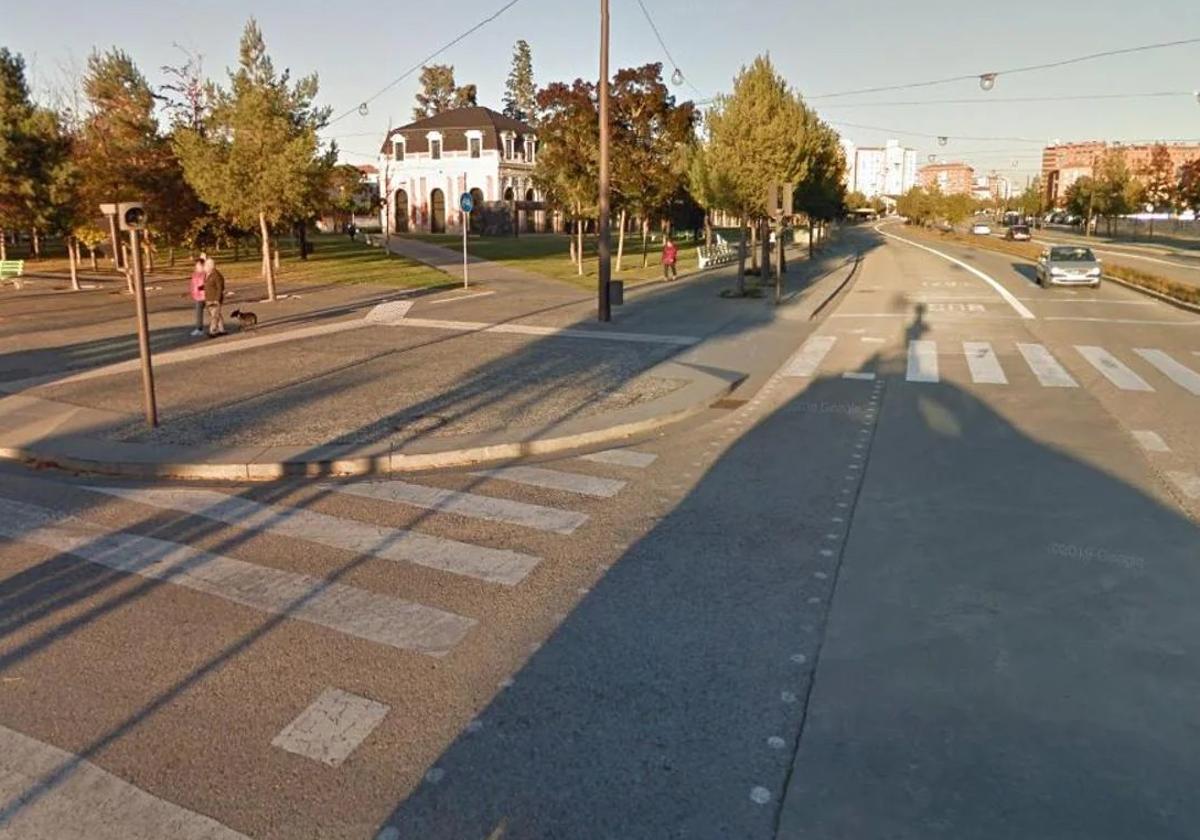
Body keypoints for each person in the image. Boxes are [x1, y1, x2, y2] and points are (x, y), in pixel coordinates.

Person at [203, 257, 226, 337]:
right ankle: (222, 329)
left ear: (210, 266)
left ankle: (212, 331)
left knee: (214, 316)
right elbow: (206, 285)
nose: (204, 267)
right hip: (209, 298)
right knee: (217, 315)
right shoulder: (208, 274)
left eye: (205, 265)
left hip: (215, 299)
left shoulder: (216, 275)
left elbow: (220, 288)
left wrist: (217, 299)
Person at [188, 258, 206, 336]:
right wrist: (192, 292)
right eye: (196, 265)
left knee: (212, 311)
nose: (196, 266)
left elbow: (207, 284)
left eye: (198, 264)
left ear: (202, 265)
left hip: (204, 295)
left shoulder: (205, 274)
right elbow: (193, 284)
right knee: (199, 312)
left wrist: (202, 288)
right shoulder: (195, 274)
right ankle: (199, 328)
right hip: (197, 296)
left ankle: (199, 328)